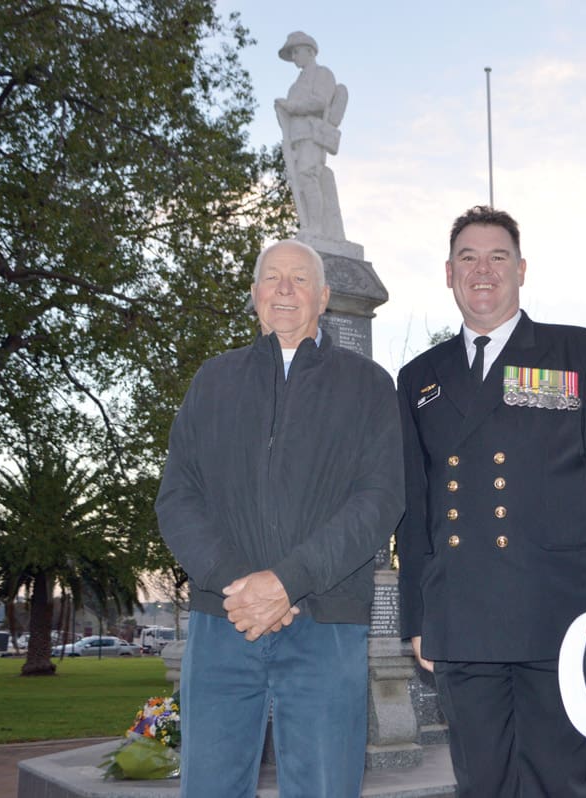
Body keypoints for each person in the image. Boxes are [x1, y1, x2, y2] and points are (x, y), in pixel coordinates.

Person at [396, 206, 586, 797]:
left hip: (561, 614)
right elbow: (414, 508)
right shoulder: (418, 378)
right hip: (462, 618)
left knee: (558, 783)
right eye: (467, 257)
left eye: (497, 257)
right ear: (448, 273)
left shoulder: (583, 356)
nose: (481, 270)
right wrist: (417, 616)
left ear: (521, 269)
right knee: (480, 783)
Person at [156, 239, 404, 797]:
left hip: (325, 623)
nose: (285, 289)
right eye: (272, 278)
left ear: (323, 297)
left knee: (322, 787)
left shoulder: (368, 386)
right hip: (224, 620)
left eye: (299, 279)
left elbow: (380, 500)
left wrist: (288, 581)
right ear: (254, 295)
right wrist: (240, 584)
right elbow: (177, 497)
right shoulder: (213, 381)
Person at [275, 31, 347, 243]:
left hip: (312, 135)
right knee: (300, 181)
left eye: (297, 51)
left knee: (308, 176)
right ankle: (310, 225)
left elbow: (320, 102)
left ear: (310, 51)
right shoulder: (296, 84)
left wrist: (292, 107)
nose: (295, 56)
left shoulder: (322, 74)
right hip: (297, 138)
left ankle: (316, 227)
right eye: (293, 52)